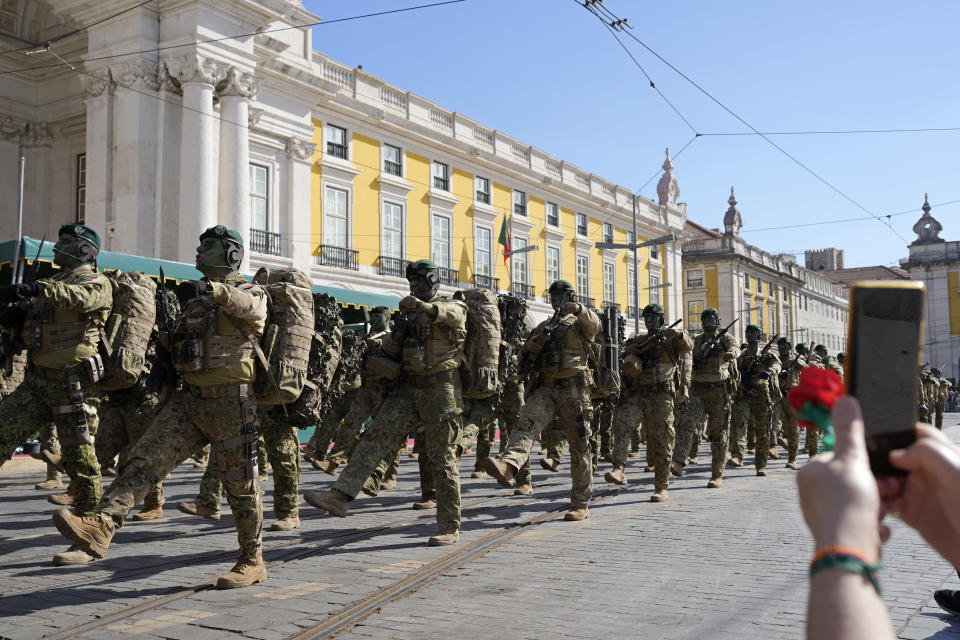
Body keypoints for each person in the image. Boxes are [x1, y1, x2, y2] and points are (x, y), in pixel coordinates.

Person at [51, 226, 268, 587]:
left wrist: (214, 290)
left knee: (241, 486)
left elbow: (252, 308)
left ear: (232, 255)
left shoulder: (246, 290)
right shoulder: (195, 301)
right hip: (188, 401)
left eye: (209, 246)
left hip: (233, 402)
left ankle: (252, 560)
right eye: (199, 245)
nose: (199, 251)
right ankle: (101, 525)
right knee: (142, 461)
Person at [305, 259, 467, 546]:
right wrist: (385, 343)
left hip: (442, 390)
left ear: (431, 280)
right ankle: (340, 496)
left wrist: (425, 308)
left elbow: (453, 315)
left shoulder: (450, 305)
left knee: (441, 458)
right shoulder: (406, 314)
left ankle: (448, 525)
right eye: (410, 282)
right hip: (408, 388)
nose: (413, 287)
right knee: (375, 437)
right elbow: (394, 347)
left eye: (418, 281)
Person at [0, 224, 111, 521]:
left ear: (84, 249)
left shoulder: (95, 280)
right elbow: (31, 329)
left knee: (80, 459)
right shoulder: (51, 282)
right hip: (37, 381)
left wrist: (39, 289)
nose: (57, 248)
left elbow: (82, 299)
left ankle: (89, 525)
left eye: (65, 242)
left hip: (73, 382)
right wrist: (14, 317)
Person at [484, 280, 600, 519]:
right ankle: (509, 465)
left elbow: (595, 324)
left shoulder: (580, 323)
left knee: (579, 447)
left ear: (570, 296)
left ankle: (580, 503)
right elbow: (525, 356)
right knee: (525, 423)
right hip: (546, 388)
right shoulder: (545, 325)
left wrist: (579, 309)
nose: (556, 299)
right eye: (553, 295)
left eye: (560, 295)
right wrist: (529, 348)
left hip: (574, 390)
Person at [671, 307, 737, 488]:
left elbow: (734, 348)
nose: (708, 321)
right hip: (697, 389)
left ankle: (717, 474)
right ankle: (679, 461)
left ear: (717, 320)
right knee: (686, 425)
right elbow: (687, 355)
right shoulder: (697, 340)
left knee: (719, 433)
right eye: (705, 318)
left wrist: (729, 353)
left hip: (719, 390)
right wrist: (699, 353)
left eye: (712, 318)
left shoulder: (725, 338)